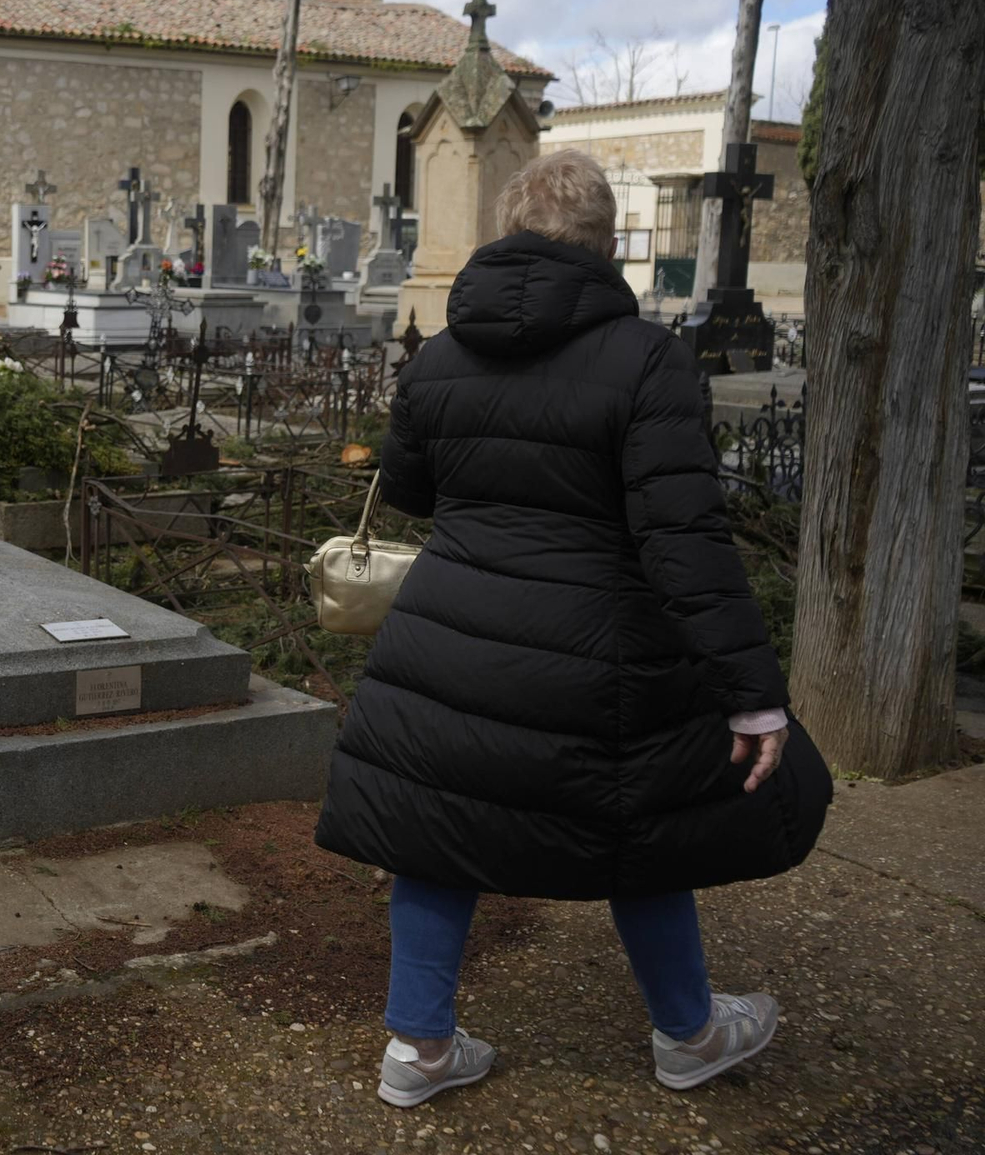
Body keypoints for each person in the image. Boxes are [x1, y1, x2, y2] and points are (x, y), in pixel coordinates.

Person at [313, 148, 831, 1108]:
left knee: (437, 825)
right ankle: (690, 1031)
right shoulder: (646, 359)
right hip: (602, 647)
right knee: (643, 823)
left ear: (507, 231)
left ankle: (417, 1050)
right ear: (604, 245)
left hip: (449, 632)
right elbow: (683, 539)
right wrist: (752, 694)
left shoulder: (440, 354)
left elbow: (416, 491)